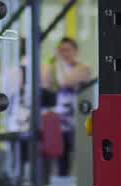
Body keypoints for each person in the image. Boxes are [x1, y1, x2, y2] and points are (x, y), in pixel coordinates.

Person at [41, 37, 92, 176]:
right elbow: (45, 82)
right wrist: (55, 65)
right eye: (61, 50)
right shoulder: (52, 66)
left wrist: (58, 65)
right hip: (57, 121)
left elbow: (65, 81)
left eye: (67, 50)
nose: (64, 53)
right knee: (54, 155)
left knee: (71, 155)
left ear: (75, 51)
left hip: (76, 120)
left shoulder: (83, 68)